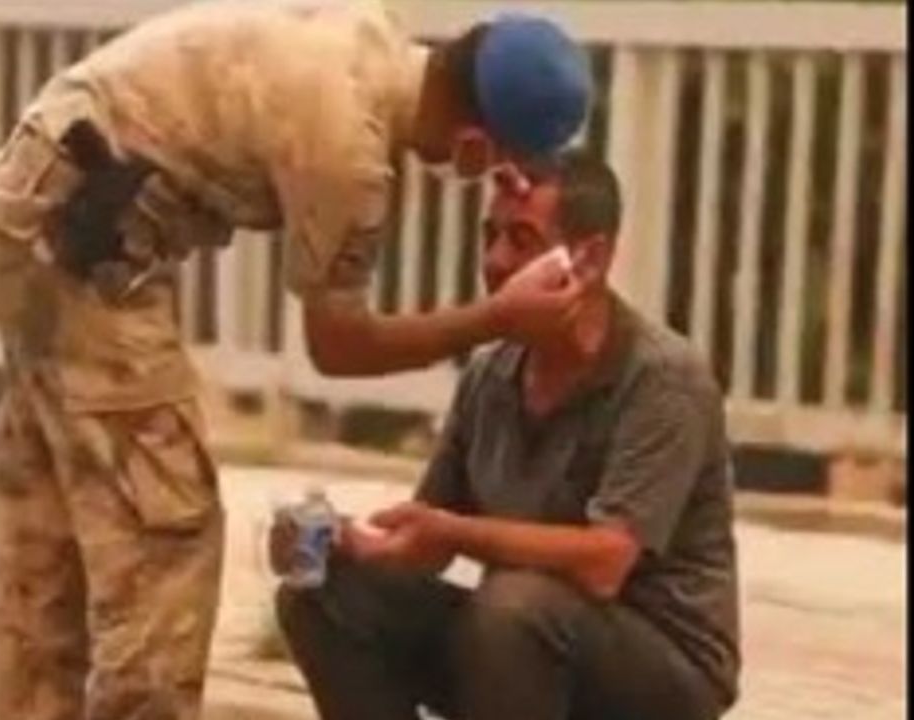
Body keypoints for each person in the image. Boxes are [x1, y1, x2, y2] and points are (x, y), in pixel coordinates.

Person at [0, 0, 594, 718]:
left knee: (50, 519)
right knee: (165, 535)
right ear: (476, 148)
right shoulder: (348, 156)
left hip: (27, 202)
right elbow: (338, 346)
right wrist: (499, 318)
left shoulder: (367, 34)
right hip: (85, 247)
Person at [275, 150, 741, 720]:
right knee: (325, 595)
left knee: (513, 607)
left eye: (522, 240)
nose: (496, 261)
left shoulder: (663, 379)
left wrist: (453, 530)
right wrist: (351, 544)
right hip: (520, 645)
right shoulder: (490, 375)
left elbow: (605, 562)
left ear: (590, 259)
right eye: (490, 236)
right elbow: (430, 540)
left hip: (661, 666)